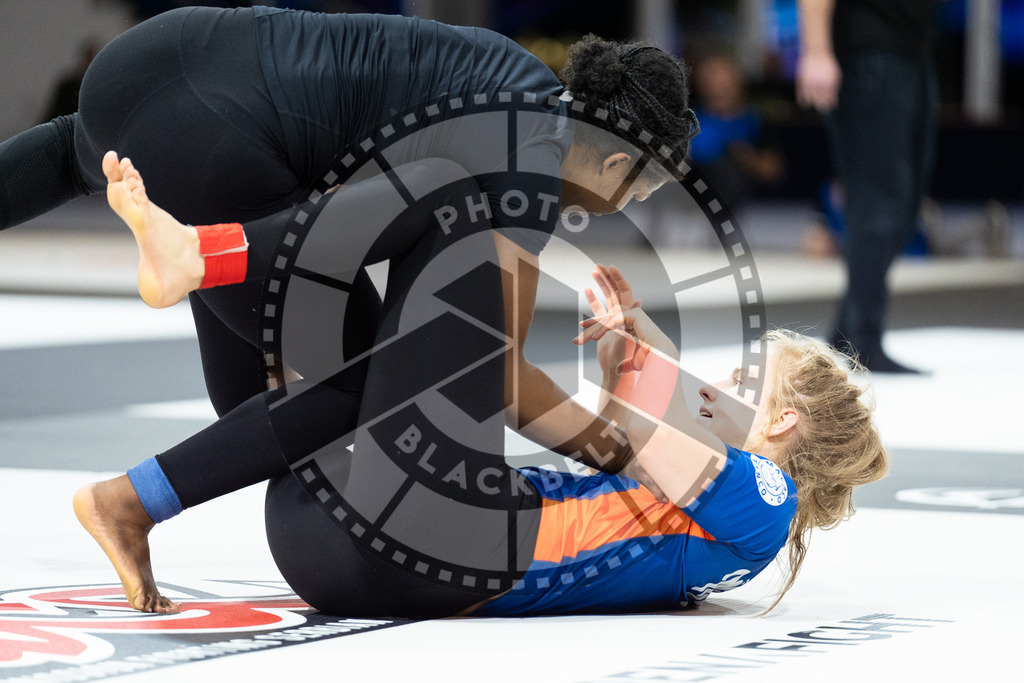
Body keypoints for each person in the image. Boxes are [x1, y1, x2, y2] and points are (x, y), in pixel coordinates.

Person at [75, 157, 887, 615]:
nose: (723, 381)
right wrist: (625, 358)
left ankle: (206, 246)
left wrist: (637, 355)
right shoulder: (722, 529)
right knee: (345, 372)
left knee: (459, 210)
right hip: (347, 550)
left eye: (747, 377)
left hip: (414, 546)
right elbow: (622, 446)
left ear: (783, 421)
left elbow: (638, 435)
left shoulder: (766, 495)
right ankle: (204, 238)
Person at [0, 7, 697, 473]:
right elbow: (500, 376)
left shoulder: (519, 75)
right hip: (219, 136)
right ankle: (129, 504)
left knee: (72, 158)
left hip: (154, 55)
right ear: (616, 162)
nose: (621, 209)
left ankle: (196, 264)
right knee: (375, 378)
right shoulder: (532, 174)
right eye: (638, 193)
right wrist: (623, 453)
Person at [796, 0, 940, 373]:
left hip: (914, 54)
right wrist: (817, 50)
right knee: (879, 205)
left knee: (905, 207)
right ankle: (863, 340)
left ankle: (847, 334)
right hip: (868, 54)